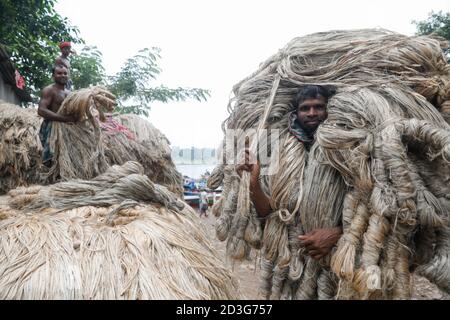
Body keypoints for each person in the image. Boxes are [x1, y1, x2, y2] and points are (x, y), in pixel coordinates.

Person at [236, 85, 342, 261]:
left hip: (336, 257)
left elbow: (368, 206)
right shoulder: (282, 149)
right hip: (290, 256)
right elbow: (268, 212)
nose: (312, 113)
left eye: (319, 107)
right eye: (305, 108)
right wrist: (253, 184)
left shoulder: (344, 149)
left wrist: (336, 233)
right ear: (296, 112)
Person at [37, 65, 76, 166]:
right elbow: (41, 110)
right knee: (52, 158)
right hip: (52, 128)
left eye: (65, 73)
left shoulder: (70, 93)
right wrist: (64, 119)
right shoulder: (49, 90)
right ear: (53, 76)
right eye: (59, 73)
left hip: (67, 129)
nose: (63, 75)